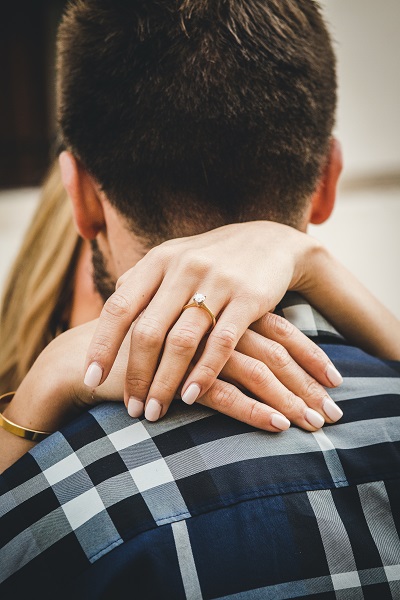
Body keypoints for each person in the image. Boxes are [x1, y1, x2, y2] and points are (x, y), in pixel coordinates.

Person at [0, 1, 399, 598]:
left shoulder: (54, 511)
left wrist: (41, 391)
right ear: (328, 180)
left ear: (78, 195)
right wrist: (316, 264)